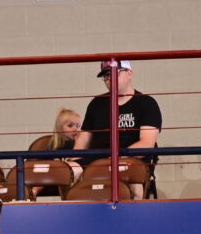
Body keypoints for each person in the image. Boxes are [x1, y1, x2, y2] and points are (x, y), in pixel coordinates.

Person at [69, 60, 161, 199]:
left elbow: (146, 143)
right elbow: (82, 142)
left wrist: (115, 159)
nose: (109, 79)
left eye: (114, 73)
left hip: (130, 159)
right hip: (97, 159)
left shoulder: (146, 103)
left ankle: (135, 216)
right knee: (67, 171)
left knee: (132, 180)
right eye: (105, 76)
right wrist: (74, 161)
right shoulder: (96, 104)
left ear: (129, 73)